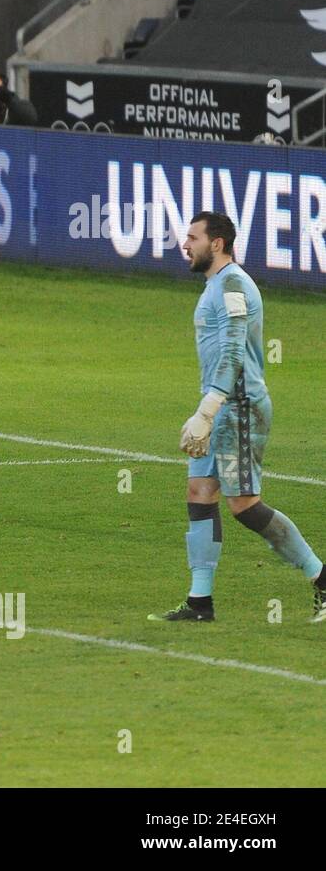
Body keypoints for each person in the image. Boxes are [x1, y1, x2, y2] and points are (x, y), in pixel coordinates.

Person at [150, 211, 326, 623]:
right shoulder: (217, 284)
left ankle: (321, 578)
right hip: (219, 406)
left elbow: (232, 353)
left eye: (193, 237)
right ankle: (200, 603)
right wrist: (206, 410)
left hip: (240, 408)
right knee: (199, 493)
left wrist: (207, 412)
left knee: (244, 505)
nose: (186, 244)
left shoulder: (232, 285)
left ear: (217, 243)